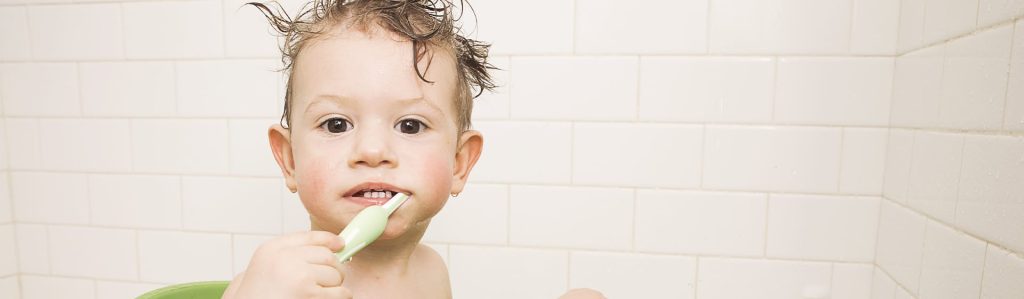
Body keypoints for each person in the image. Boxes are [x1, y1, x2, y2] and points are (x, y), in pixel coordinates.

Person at [223, 1, 604, 298]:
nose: (372, 151)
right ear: (290, 159)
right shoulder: (272, 285)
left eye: (410, 125)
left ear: (459, 163)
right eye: (336, 124)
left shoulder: (431, 271)